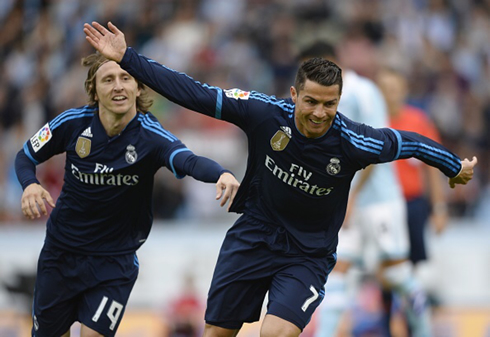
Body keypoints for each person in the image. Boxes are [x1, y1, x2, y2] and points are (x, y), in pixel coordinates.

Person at [83, 21, 477, 337]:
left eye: (329, 104)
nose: (320, 113)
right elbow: (194, 93)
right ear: (293, 94)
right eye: (311, 102)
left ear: (339, 101)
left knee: (276, 333)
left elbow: (410, 142)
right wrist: (129, 60)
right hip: (254, 235)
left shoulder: (354, 140)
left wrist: (453, 167)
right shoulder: (263, 112)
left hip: (307, 254)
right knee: (217, 331)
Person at [14, 52, 239, 337]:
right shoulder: (72, 123)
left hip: (114, 262)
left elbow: (188, 160)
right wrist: (29, 184)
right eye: (108, 80)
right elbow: (25, 155)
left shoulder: (150, 135)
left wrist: (221, 173)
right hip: (60, 255)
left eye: (126, 78)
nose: (118, 86)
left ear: (139, 88)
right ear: (94, 90)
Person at [298, 41, 431, 337]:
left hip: (379, 200)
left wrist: (351, 198)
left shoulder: (362, 92)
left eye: (311, 67)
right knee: (338, 272)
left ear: (330, 62)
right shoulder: (319, 101)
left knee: (397, 273)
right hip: (347, 204)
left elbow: (376, 149)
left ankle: (424, 330)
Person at [376, 67, 450, 332]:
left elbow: (434, 167)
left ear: (403, 91)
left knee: (413, 270)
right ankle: (385, 325)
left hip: (412, 205)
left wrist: (439, 207)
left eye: (394, 89)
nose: (389, 94)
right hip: (382, 207)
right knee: (384, 269)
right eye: (384, 89)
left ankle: (411, 326)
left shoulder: (418, 121)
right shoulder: (372, 122)